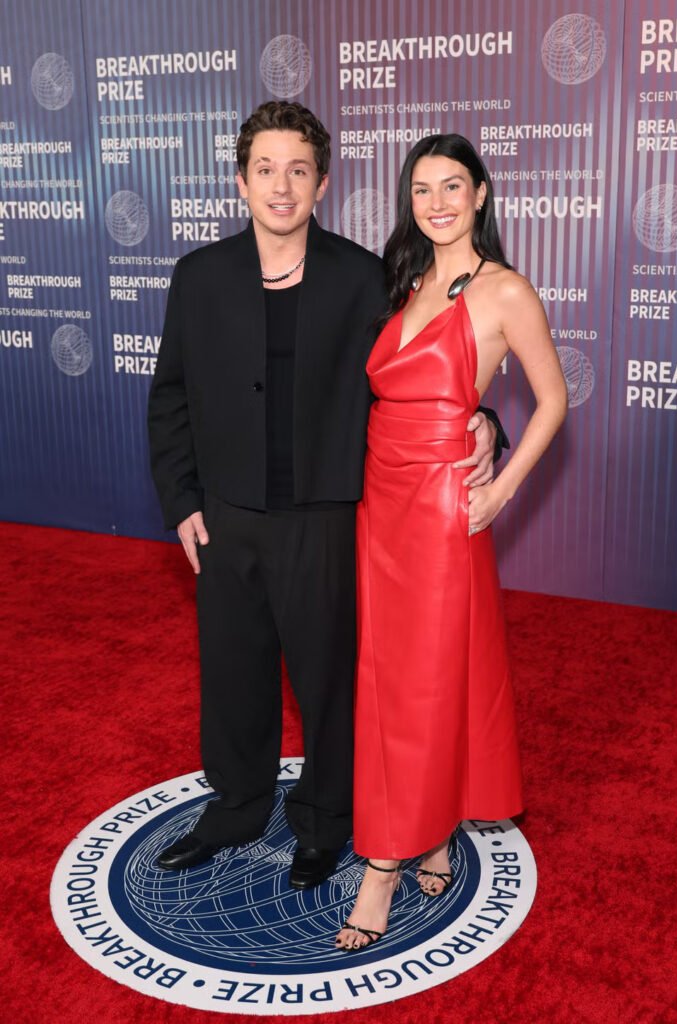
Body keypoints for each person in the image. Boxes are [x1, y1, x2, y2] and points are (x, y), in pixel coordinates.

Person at [147, 104, 499, 888]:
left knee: (329, 681)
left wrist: (485, 420)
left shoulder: (362, 276)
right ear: (241, 182)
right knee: (232, 676)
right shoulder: (198, 277)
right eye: (266, 169)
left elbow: (425, 377)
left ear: (323, 181)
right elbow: (168, 396)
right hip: (227, 518)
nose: (281, 186)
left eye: (298, 170)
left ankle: (324, 823)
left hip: (329, 517)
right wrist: (181, 502)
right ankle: (235, 807)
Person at [335, 134, 568, 949]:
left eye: (451, 187)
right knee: (391, 675)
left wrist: (498, 489)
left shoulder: (505, 291)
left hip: (442, 508)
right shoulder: (402, 281)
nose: (436, 203)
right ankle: (431, 827)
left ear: (479, 195)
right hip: (380, 502)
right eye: (422, 189)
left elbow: (552, 400)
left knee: (421, 682)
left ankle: (383, 867)